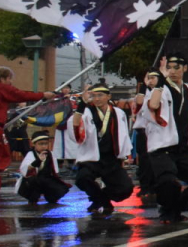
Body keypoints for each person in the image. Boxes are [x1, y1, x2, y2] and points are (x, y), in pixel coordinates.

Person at [145, 53, 188, 223]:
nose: (172, 71)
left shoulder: (186, 89)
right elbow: (153, 105)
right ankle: (168, 211)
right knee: (168, 181)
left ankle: (176, 207)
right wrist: (160, 82)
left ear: (185, 68)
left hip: (182, 147)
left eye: (176, 67)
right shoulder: (160, 88)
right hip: (162, 147)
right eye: (169, 68)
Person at [0, 67, 59, 194]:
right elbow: (20, 95)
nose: (11, 82)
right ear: (3, 78)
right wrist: (43, 95)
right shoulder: (1, 88)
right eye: (9, 79)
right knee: (2, 155)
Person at [70, 83, 135, 216]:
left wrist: (124, 155)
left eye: (100, 95)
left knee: (125, 189)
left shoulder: (118, 113)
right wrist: (81, 105)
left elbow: (123, 135)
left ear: (108, 96)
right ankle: (101, 200)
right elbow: (75, 128)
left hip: (111, 157)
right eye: (94, 96)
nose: (97, 99)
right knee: (82, 178)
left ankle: (100, 198)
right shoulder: (86, 112)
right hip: (92, 158)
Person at [15, 131, 70, 205]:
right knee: (33, 181)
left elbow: (55, 171)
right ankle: (33, 199)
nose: (44, 146)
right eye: (41, 144)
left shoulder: (50, 154)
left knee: (60, 188)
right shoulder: (31, 154)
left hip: (46, 179)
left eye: (46, 144)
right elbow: (25, 170)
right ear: (34, 144)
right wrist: (38, 161)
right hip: (34, 179)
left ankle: (51, 197)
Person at [131, 70, 160, 197]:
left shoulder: (162, 92)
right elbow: (138, 103)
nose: (151, 80)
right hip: (143, 132)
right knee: (144, 161)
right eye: (149, 77)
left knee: (156, 160)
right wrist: (144, 86)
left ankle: (156, 186)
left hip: (157, 132)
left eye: (154, 77)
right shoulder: (142, 94)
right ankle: (145, 186)